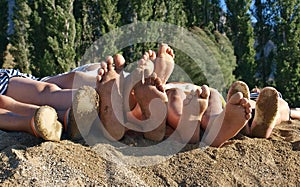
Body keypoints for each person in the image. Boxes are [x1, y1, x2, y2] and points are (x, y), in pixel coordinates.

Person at [93, 44, 252, 147]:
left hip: (166, 98)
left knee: (175, 98)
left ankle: (125, 102)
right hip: (179, 98)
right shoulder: (180, 89)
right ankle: (210, 128)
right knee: (203, 99)